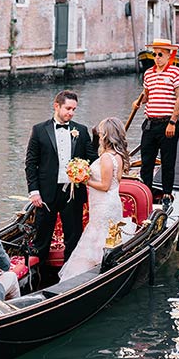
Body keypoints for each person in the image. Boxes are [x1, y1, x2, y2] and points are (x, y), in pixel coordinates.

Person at [25, 90, 99, 267]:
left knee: (73, 238)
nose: (71, 113)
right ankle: (37, 275)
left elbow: (91, 159)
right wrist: (34, 192)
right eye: (68, 108)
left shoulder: (80, 130)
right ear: (56, 106)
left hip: (72, 193)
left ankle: (70, 275)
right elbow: (30, 163)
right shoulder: (39, 130)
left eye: (74, 109)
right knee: (41, 238)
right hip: (46, 193)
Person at [58, 117, 130, 281]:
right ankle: (105, 273)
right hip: (111, 201)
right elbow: (115, 182)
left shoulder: (106, 157)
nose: (99, 135)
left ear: (107, 135)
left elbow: (105, 185)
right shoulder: (118, 155)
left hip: (103, 203)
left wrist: (83, 179)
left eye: (101, 132)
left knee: (98, 235)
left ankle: (91, 276)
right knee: (106, 236)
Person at [133, 38, 179, 210]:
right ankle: (146, 192)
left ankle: (166, 194)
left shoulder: (177, 73)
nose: (157, 57)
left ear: (169, 54)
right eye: (154, 54)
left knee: (167, 161)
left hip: (167, 123)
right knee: (146, 160)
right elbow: (146, 94)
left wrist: (172, 122)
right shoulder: (148, 73)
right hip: (150, 124)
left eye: (160, 54)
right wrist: (139, 100)